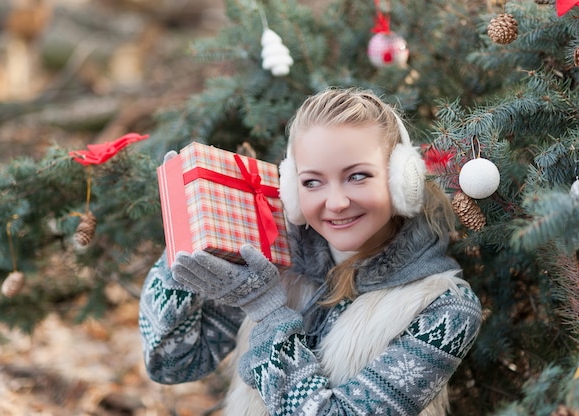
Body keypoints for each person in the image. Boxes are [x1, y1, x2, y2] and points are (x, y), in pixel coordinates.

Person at [139, 87, 482, 415]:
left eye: (358, 176)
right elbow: (174, 364)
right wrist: (188, 231)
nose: (335, 202)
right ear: (291, 189)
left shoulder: (446, 306)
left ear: (400, 178)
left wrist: (268, 312)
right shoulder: (272, 257)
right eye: (312, 182)